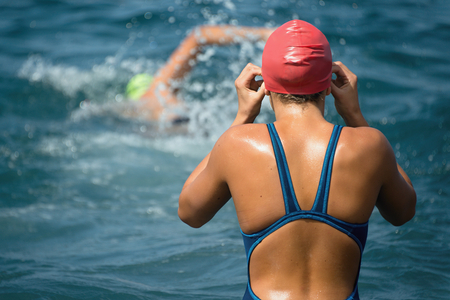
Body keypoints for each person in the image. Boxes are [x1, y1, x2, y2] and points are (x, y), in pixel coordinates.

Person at [178, 20, 416, 300]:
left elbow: (190, 213)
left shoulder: (237, 144)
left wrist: (242, 118)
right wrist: (354, 116)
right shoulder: (370, 145)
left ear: (265, 85)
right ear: (330, 85)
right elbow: (403, 212)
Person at [128, 25, 274, 122]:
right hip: (188, 123)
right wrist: (264, 34)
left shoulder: (134, 111)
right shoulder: (159, 90)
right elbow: (199, 35)